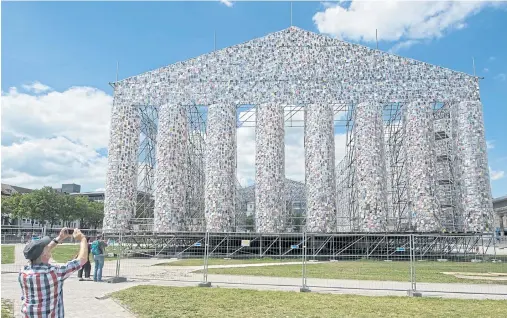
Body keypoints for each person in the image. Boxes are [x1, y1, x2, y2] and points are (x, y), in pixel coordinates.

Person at [18, 227, 88, 317]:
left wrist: (60, 238)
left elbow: (38, 255)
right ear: (45, 254)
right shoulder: (54, 273)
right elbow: (82, 259)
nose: (48, 246)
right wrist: (82, 239)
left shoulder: (23, 272)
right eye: (46, 247)